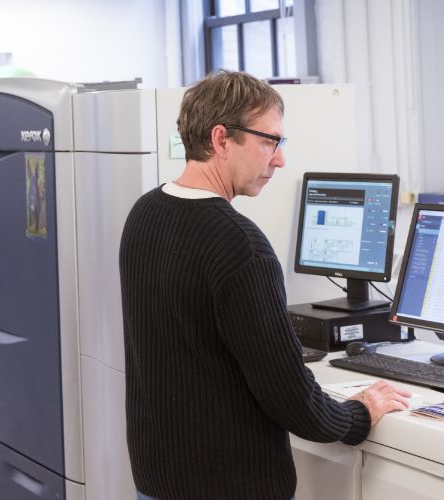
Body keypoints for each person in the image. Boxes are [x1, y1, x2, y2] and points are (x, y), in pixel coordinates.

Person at [119, 70, 411, 500]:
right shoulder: (238, 244)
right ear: (221, 139)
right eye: (269, 141)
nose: (279, 159)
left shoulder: (145, 212)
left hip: (158, 480)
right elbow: (289, 394)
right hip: (229, 486)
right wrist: (357, 415)